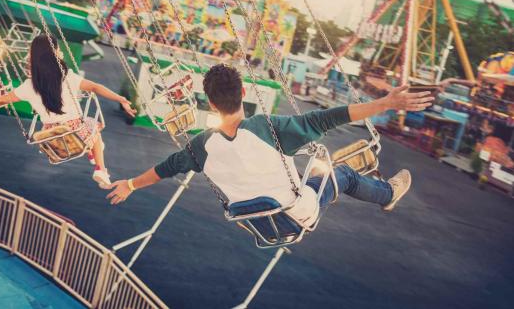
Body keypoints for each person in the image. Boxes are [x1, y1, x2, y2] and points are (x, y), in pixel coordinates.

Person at [106, 65, 434, 228]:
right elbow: (326, 119)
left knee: (316, 174)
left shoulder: (201, 146)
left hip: (257, 221)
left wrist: (131, 184)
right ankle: (388, 195)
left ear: (209, 101)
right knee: (342, 174)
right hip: (295, 215)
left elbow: (166, 168)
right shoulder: (267, 127)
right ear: (244, 92)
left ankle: (380, 192)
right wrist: (385, 103)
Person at [0, 34, 136, 188]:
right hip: (73, 130)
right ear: (55, 54)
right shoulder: (68, 76)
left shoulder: (29, 85)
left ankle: (91, 152)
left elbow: (0, 100)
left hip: (50, 135)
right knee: (93, 127)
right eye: (58, 50)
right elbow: (96, 87)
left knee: (89, 133)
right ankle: (101, 169)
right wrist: (120, 99)